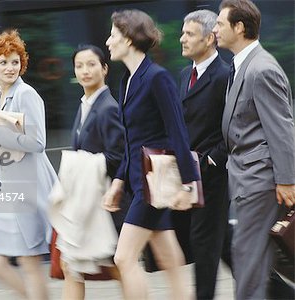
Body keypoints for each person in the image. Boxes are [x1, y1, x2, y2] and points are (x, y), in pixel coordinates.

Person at [103, 9, 200, 300]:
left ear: (130, 39)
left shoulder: (157, 78)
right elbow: (132, 140)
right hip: (138, 182)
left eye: (113, 36)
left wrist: (189, 183)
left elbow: (178, 131)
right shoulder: (126, 80)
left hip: (154, 183)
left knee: (124, 258)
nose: (108, 42)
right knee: (170, 259)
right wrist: (119, 181)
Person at [213, 0, 295, 299]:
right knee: (251, 261)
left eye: (220, 24)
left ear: (240, 27)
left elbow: (282, 129)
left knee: (248, 262)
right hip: (248, 181)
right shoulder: (243, 66)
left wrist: (287, 180)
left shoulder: (261, 69)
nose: (215, 29)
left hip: (260, 183)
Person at [0, 29, 57, 300]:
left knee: (29, 262)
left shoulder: (27, 95)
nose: (10, 68)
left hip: (29, 190)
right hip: (8, 192)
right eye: (3, 62)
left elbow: (38, 142)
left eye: (15, 62)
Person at [59, 44, 127, 300]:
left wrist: (77, 164)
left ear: (104, 69)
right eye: (79, 66)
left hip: (104, 201)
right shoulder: (86, 104)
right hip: (87, 200)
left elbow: (117, 157)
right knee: (72, 266)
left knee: (117, 266)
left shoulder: (107, 107)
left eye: (91, 65)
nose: (85, 71)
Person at [178, 10, 230, 300]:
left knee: (204, 244)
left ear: (210, 39)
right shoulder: (186, 74)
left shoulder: (225, 76)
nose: (182, 39)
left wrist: (212, 159)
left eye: (189, 34)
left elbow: (235, 126)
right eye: (183, 33)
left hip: (212, 175)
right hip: (189, 174)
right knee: (222, 244)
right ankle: (279, 290)